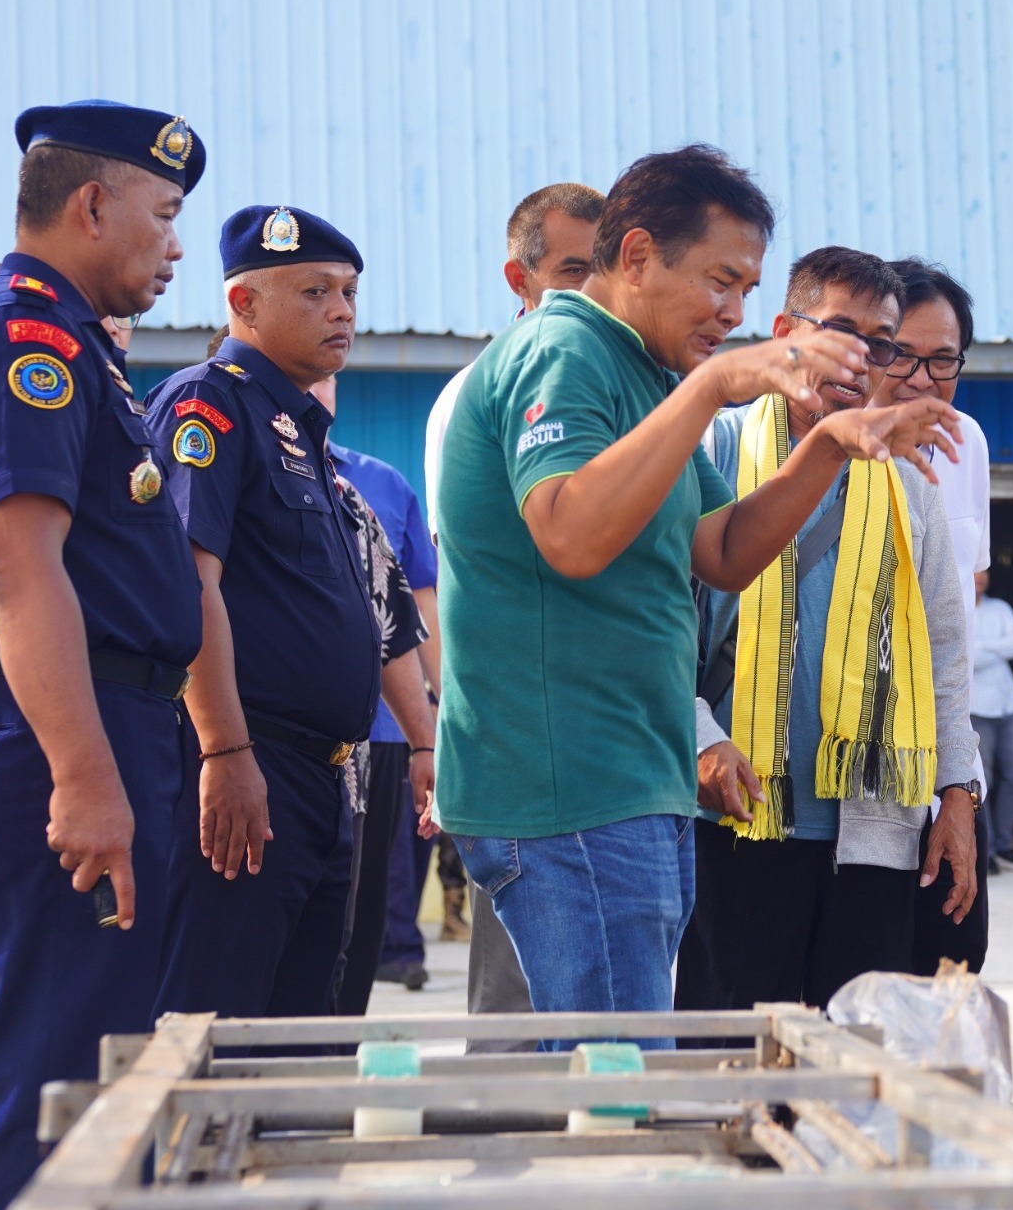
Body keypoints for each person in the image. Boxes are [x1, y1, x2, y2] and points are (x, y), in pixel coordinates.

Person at [431, 145, 954, 1039]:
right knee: (617, 1082)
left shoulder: (644, 373)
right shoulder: (565, 352)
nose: (737, 313)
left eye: (748, 289)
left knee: (626, 1067)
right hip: (572, 791)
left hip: (636, 780)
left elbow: (720, 551)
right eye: (721, 280)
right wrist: (717, 383)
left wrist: (829, 445)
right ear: (635, 255)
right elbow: (569, 533)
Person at [0, 100, 204, 1210]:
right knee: (47, 1069)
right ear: (92, 205)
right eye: (164, 214)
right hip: (55, 741)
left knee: (60, 1055)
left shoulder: (72, 343)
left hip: (92, 726)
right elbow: (14, 567)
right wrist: (85, 778)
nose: (175, 243)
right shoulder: (23, 337)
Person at [675, 247, 982, 1011]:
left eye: (880, 344)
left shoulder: (909, 476)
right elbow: (655, 628)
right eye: (838, 333)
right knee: (733, 1063)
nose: (861, 361)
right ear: (784, 331)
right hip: (734, 816)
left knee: (854, 1066)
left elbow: (945, 646)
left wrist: (956, 796)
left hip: (874, 827)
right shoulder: (711, 449)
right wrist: (701, 739)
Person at [144, 206, 403, 1021]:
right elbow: (189, 585)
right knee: (216, 1022)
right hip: (247, 763)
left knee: (298, 1032)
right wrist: (225, 751)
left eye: (350, 293)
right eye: (316, 291)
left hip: (319, 777)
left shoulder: (295, 427)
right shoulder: (208, 408)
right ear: (243, 305)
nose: (342, 311)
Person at [421, 182, 602, 1039]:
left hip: (619, 737)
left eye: (606, 268)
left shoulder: (632, 387)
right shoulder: (479, 395)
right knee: (520, 1006)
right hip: (522, 742)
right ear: (518, 279)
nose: (593, 289)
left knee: (609, 1008)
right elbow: (469, 586)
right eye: (572, 271)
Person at [311, 374, 442, 1010]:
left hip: (388, 726)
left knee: (373, 889)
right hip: (280, 736)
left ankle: (380, 980)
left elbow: (416, 600)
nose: (321, 381)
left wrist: (437, 713)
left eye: (331, 373)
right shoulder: (221, 453)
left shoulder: (378, 485)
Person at [881, 259, 996, 974]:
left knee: (950, 969)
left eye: (943, 360)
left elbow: (968, 586)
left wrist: (958, 782)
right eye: (901, 355)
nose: (924, 379)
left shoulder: (968, 441)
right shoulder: (804, 451)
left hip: (945, 768)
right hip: (849, 784)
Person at [968, 570, 1013, 869]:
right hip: (974, 709)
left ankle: (1004, 842)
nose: (980, 576)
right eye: (974, 570)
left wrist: (980, 649)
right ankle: (988, 851)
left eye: (984, 571)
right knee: (983, 782)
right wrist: (996, 649)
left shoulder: (1000, 608)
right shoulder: (955, 609)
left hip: (1009, 705)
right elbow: (963, 658)